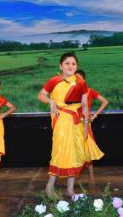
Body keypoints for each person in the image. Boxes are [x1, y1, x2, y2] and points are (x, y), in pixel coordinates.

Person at [37, 52, 89, 198]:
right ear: (60, 66)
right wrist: (51, 101)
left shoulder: (81, 83)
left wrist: (85, 122)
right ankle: (49, 187)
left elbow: (84, 104)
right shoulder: (54, 80)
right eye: (67, 63)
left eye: (73, 63)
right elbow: (41, 95)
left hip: (76, 121)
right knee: (60, 152)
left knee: (74, 154)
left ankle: (70, 190)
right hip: (62, 119)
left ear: (76, 66)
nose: (70, 66)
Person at [74, 69, 107, 185]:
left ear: (84, 79)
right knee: (74, 150)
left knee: (88, 150)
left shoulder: (89, 91)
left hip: (85, 124)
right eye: (75, 78)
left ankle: (91, 178)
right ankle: (72, 178)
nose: (77, 80)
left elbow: (105, 102)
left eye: (79, 78)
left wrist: (95, 114)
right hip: (74, 124)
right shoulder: (71, 93)